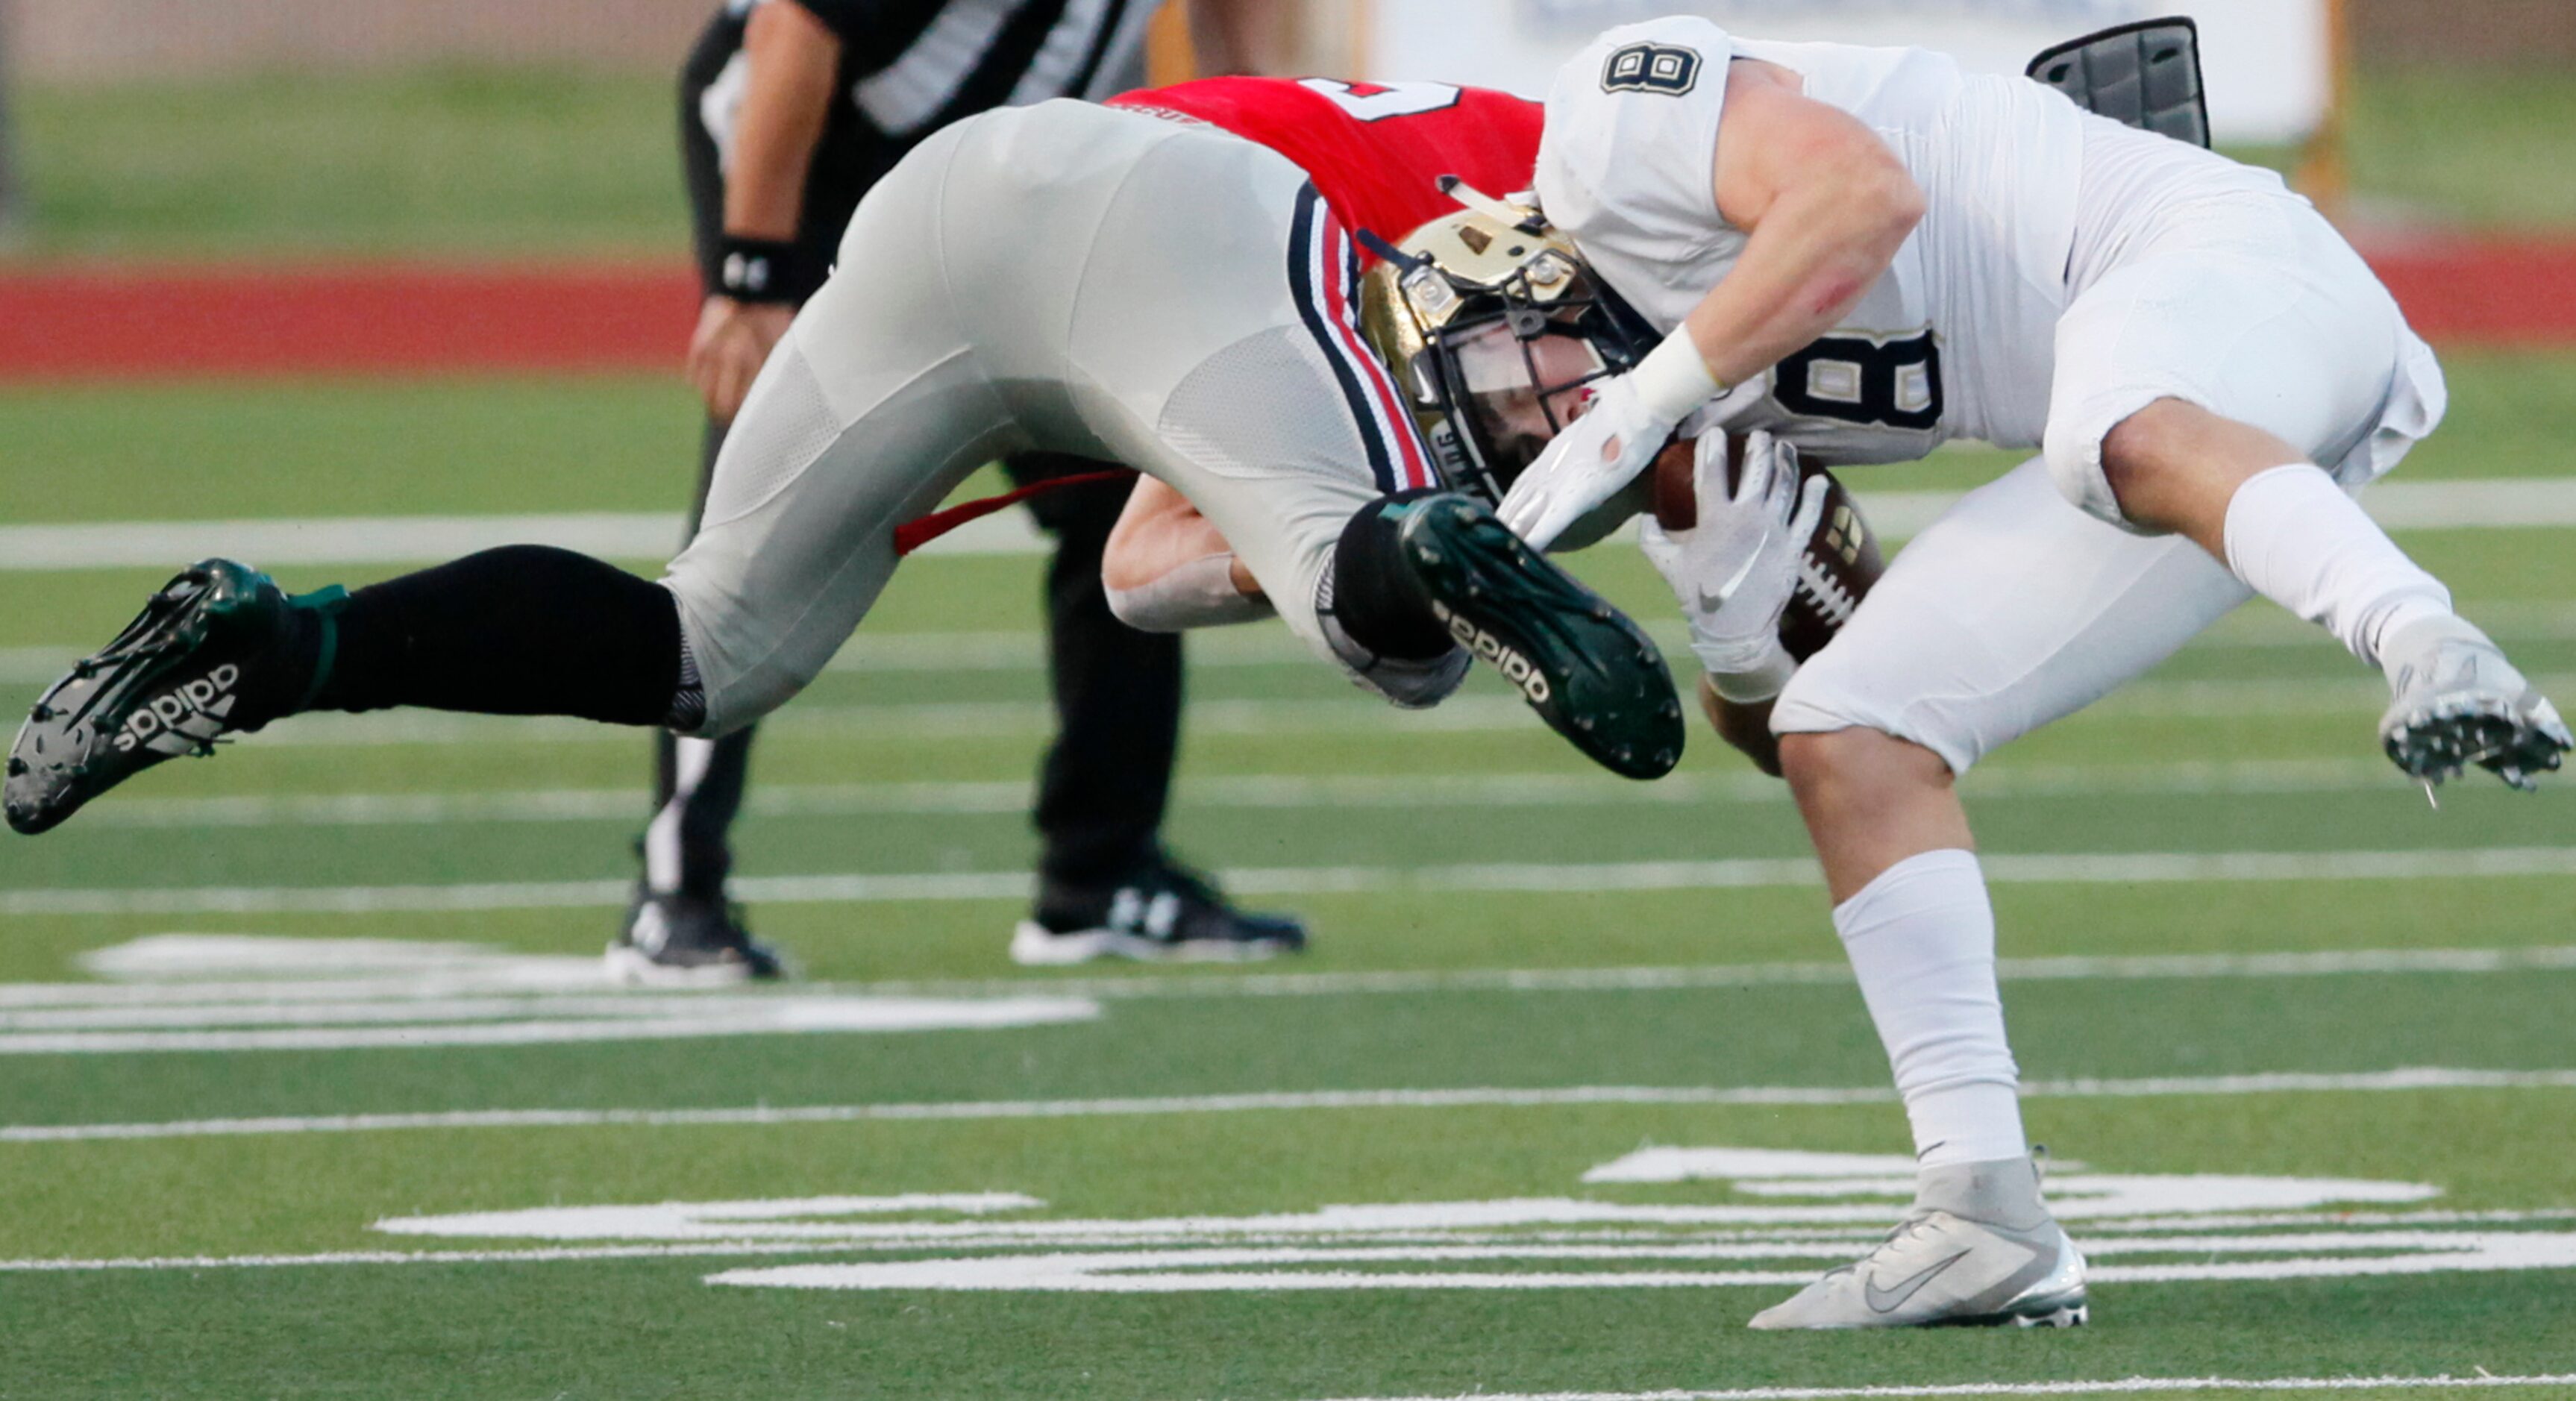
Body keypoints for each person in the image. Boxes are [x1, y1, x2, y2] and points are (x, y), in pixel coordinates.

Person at [1488, 17, 2569, 1329]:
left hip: (2220, 270)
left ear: (1514, 270)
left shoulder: (1611, 131)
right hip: (2184, 438)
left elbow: (1860, 195)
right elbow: (1787, 736)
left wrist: (1649, 395)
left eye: (1506, 377)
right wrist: (1731, 617)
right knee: (1855, 729)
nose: (1524, 414)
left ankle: (2423, 637)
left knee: (2104, 425)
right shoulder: (1670, 423)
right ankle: (1984, 1216)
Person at [3, 80, 1685, 869]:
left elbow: (1134, 566)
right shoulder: (1587, 162)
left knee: (710, 649)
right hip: (1185, 226)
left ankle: (282, 649)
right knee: (1384, 631)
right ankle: (1417, 552)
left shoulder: (1563, 164)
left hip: (967, 208)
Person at [642, 0, 1297, 980]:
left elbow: (1238, 27)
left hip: (994, 172)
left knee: (1115, 489)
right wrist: (749, 277)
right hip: (817, 147)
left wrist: (1280, 180)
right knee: (766, 519)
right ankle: (674, 892)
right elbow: (793, 31)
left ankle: (1098, 874)